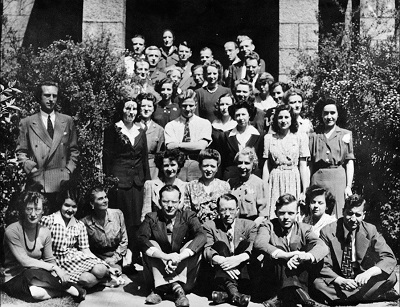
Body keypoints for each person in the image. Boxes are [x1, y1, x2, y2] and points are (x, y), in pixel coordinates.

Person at [313, 194, 399, 305]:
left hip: (362, 279)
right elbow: (323, 264)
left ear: (363, 215)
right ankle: (367, 296)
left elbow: (389, 258)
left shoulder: (370, 230)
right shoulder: (327, 231)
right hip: (339, 278)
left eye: (358, 215)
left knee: (391, 277)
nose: (353, 219)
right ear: (343, 211)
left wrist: (368, 273)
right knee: (318, 283)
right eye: (349, 213)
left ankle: (343, 298)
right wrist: (340, 280)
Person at [2, 191, 86, 302]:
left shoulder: (45, 231)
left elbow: (49, 259)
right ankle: (69, 289)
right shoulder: (12, 231)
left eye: (37, 209)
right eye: (29, 209)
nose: (33, 214)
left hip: (37, 275)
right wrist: (54, 268)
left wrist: (58, 273)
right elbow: (24, 261)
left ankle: (64, 288)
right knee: (33, 285)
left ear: (43, 211)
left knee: (35, 286)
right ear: (23, 210)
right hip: (14, 278)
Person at [103, 87, 150, 266]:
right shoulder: (113, 129)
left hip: (136, 182)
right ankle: (120, 256)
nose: (131, 112)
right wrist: (109, 181)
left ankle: (133, 255)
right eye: (127, 108)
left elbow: (144, 158)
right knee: (121, 218)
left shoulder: (141, 130)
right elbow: (107, 158)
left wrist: (146, 181)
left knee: (135, 220)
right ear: (121, 109)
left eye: (134, 109)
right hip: (119, 181)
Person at [254, 194, 329, 307]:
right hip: (274, 279)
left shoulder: (304, 229)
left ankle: (284, 296)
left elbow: (322, 246)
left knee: (310, 249)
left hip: (300, 276)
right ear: (275, 212)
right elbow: (259, 243)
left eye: (290, 213)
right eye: (282, 213)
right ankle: (301, 296)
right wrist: (285, 255)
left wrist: (305, 256)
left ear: (297, 214)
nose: (286, 217)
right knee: (278, 251)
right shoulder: (268, 226)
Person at [138, 185, 207, 306]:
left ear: (180, 202)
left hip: (183, 270)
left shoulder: (188, 216)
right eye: (165, 201)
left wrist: (179, 257)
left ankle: (161, 290)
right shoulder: (152, 217)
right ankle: (177, 289)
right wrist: (165, 256)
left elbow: (201, 236)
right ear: (159, 202)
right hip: (159, 270)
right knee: (151, 244)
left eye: (174, 201)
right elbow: (141, 238)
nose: (170, 205)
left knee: (193, 244)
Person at [16, 81, 79, 213]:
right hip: (39, 181)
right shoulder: (27, 122)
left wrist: (68, 170)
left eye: (54, 96)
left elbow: (74, 150)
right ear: (39, 97)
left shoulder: (67, 121)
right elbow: (21, 152)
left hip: (62, 182)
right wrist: (31, 168)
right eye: (47, 95)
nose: (51, 99)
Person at [41, 186, 119, 288]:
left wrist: (108, 267)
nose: (70, 210)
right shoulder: (48, 221)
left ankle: (105, 276)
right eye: (67, 205)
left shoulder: (79, 225)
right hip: (58, 262)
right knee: (88, 280)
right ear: (60, 204)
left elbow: (85, 250)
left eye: (74, 207)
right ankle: (102, 281)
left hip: (75, 259)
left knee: (101, 270)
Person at [203, 193, 257, 307]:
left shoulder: (249, 225)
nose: (227, 214)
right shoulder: (210, 226)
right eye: (223, 210)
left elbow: (254, 246)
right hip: (220, 272)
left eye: (231, 210)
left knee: (245, 244)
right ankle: (235, 294)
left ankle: (225, 295)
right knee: (220, 245)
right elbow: (207, 248)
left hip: (242, 273)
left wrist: (238, 259)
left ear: (237, 210)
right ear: (217, 211)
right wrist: (223, 261)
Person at [309, 98, 355, 218]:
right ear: (321, 115)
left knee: (337, 213)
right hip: (318, 179)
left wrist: (348, 186)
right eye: (326, 113)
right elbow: (309, 165)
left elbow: (349, 162)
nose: (329, 117)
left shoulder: (345, 134)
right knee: (317, 212)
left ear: (338, 114)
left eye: (332, 113)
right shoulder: (313, 136)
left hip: (338, 179)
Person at [263, 104, 310, 219]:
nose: (283, 121)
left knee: (292, 212)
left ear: (292, 119)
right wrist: (264, 189)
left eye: (286, 117)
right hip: (275, 179)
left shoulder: (300, 137)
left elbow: (303, 166)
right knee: (275, 214)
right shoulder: (269, 138)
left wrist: (305, 190)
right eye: (280, 118)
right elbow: (266, 166)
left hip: (293, 178)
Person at [165, 89, 212, 182]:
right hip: (178, 165)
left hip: (198, 164)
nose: (187, 109)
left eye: (191, 105)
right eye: (184, 106)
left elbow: (201, 146)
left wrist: (178, 144)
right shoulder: (171, 125)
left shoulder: (204, 123)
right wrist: (194, 145)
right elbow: (170, 146)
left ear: (196, 105)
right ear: (179, 105)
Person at [81, 184, 128, 277]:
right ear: (92, 203)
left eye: (105, 197)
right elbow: (85, 249)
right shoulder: (84, 223)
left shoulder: (117, 214)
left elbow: (124, 240)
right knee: (100, 273)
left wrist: (114, 258)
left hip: (116, 256)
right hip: (97, 258)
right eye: (100, 199)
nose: (105, 201)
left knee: (116, 272)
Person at [183, 149, 230, 223]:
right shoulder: (190, 186)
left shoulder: (224, 186)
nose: (209, 169)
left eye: (212, 166)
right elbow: (187, 213)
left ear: (217, 167)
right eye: (205, 166)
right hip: (197, 229)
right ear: (200, 166)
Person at [220, 98, 263, 180]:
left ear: (249, 115)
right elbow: (223, 162)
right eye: (237, 115)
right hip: (231, 177)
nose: (240, 118)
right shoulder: (225, 136)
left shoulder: (259, 136)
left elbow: (260, 161)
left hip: (253, 177)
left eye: (243, 114)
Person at [141, 149, 187, 221]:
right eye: (166, 165)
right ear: (161, 167)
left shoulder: (185, 186)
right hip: (156, 227)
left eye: (173, 165)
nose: (169, 169)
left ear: (178, 166)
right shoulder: (150, 185)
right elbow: (145, 215)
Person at [228, 147, 268, 226]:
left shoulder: (260, 184)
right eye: (240, 163)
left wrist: (250, 228)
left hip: (252, 225)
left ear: (253, 165)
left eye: (246, 163)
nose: (242, 167)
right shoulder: (231, 182)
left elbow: (263, 215)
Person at [136, 92, 165, 179]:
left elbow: (160, 154)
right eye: (143, 106)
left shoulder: (159, 130)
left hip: (152, 170)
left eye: (149, 106)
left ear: (153, 109)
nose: (146, 109)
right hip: (135, 168)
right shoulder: (132, 127)